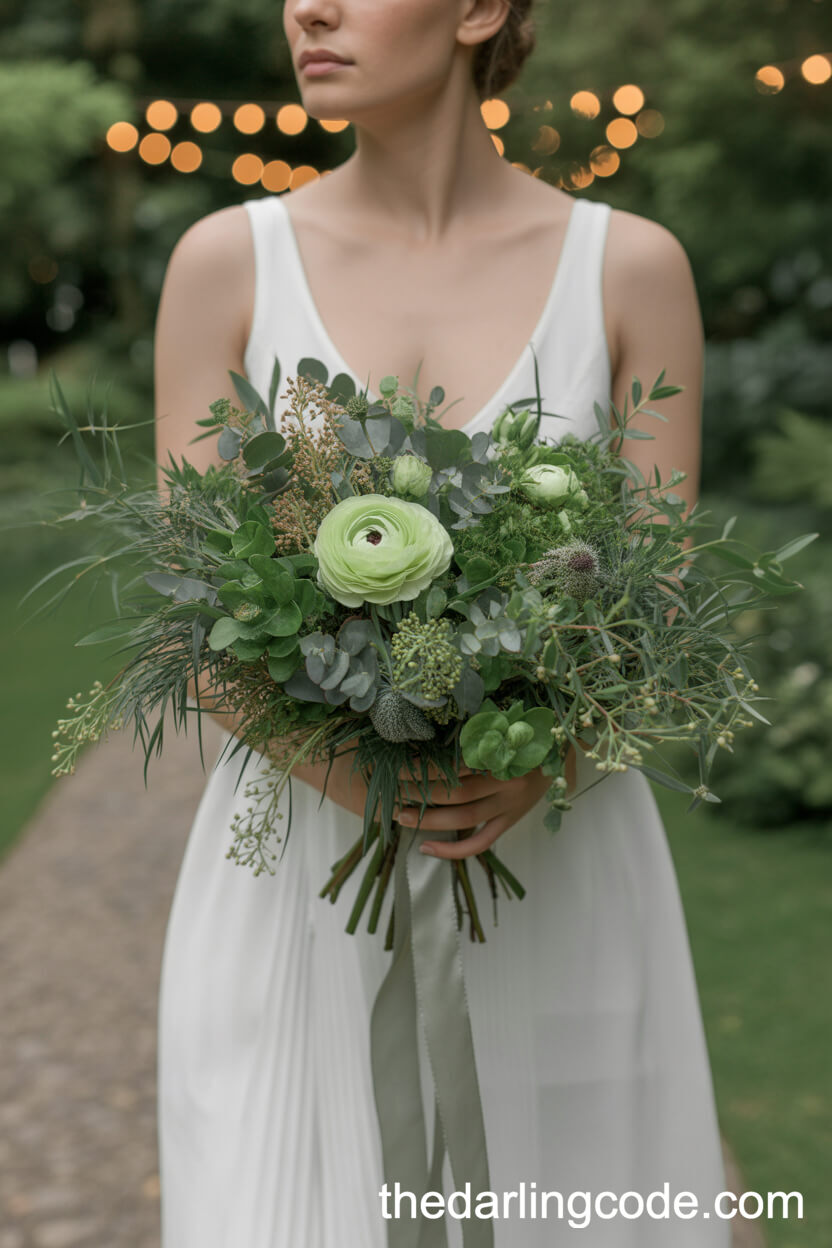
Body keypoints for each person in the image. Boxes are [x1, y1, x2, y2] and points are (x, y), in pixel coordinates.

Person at [153, 1, 731, 1244]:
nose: (307, 7)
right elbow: (194, 618)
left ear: (480, 9)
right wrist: (366, 777)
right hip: (295, 889)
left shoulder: (629, 268)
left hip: (556, 875)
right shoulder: (225, 263)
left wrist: (545, 764)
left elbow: (660, 616)